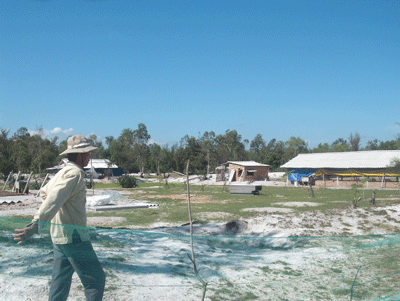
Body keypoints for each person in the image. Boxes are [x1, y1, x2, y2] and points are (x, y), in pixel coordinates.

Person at [13, 134, 106, 301]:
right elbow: (54, 199)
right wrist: (36, 224)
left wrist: (58, 213)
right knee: (96, 281)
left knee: (60, 283)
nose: (90, 156)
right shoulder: (75, 174)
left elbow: (44, 193)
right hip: (74, 236)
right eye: (88, 153)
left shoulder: (62, 172)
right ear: (81, 155)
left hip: (58, 237)